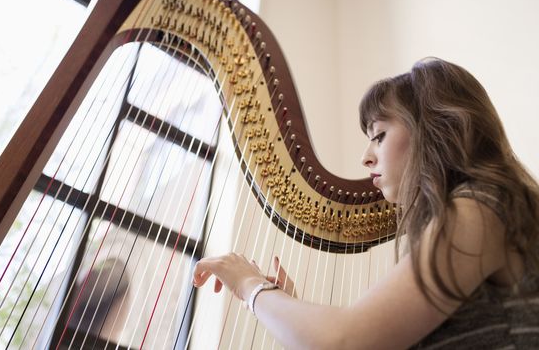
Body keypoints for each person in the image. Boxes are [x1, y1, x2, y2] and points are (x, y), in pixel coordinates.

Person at [192, 57, 539, 349]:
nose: (366, 157)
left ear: (435, 130)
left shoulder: (478, 207)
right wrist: (289, 307)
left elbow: (344, 341)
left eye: (379, 136)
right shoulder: (481, 211)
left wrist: (250, 285)